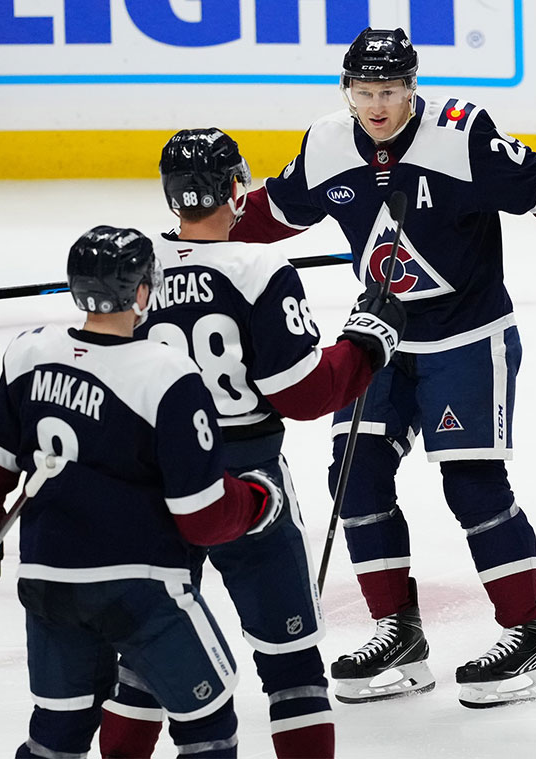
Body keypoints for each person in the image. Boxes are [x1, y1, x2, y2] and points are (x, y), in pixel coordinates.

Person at [228, 27, 536, 708]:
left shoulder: (461, 135)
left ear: (412, 86)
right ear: (346, 89)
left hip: (467, 335)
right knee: (355, 477)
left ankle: (529, 635)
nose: (377, 105)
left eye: (389, 91)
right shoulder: (327, 143)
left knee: (473, 484)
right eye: (364, 91)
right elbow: (276, 209)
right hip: (381, 338)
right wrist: (201, 230)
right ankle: (398, 632)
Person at [97, 128, 406, 758]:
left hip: (154, 484)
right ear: (238, 188)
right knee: (291, 666)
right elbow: (304, 394)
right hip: (247, 482)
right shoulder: (261, 267)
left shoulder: (136, 272)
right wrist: (367, 342)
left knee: (146, 658)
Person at [0, 225, 287, 759]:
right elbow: (201, 516)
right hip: (141, 591)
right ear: (143, 292)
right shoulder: (167, 373)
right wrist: (257, 500)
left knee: (57, 733)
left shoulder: (29, 353)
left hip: (48, 583)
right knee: (209, 722)